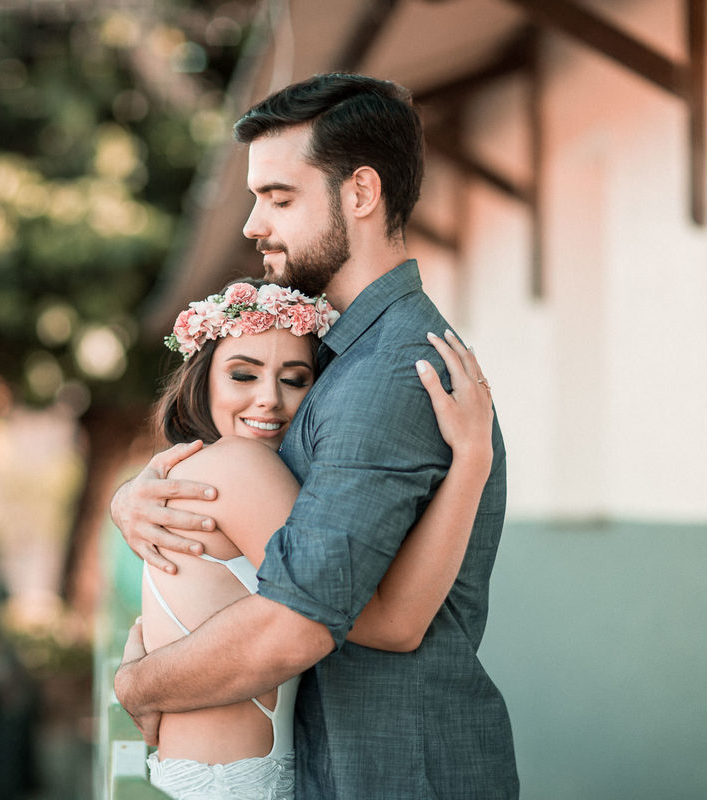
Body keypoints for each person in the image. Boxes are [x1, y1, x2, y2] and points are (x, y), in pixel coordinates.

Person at [113, 73, 518, 798]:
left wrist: (140, 685)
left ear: (360, 194)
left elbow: (303, 624)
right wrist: (138, 495)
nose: (251, 225)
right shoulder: (335, 360)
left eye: (278, 196)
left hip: (391, 775)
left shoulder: (388, 375)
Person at [138, 277, 495, 799]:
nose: (269, 401)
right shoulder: (240, 466)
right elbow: (391, 624)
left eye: (295, 379)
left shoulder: (213, 470)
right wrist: (472, 459)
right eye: (243, 375)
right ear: (203, 380)